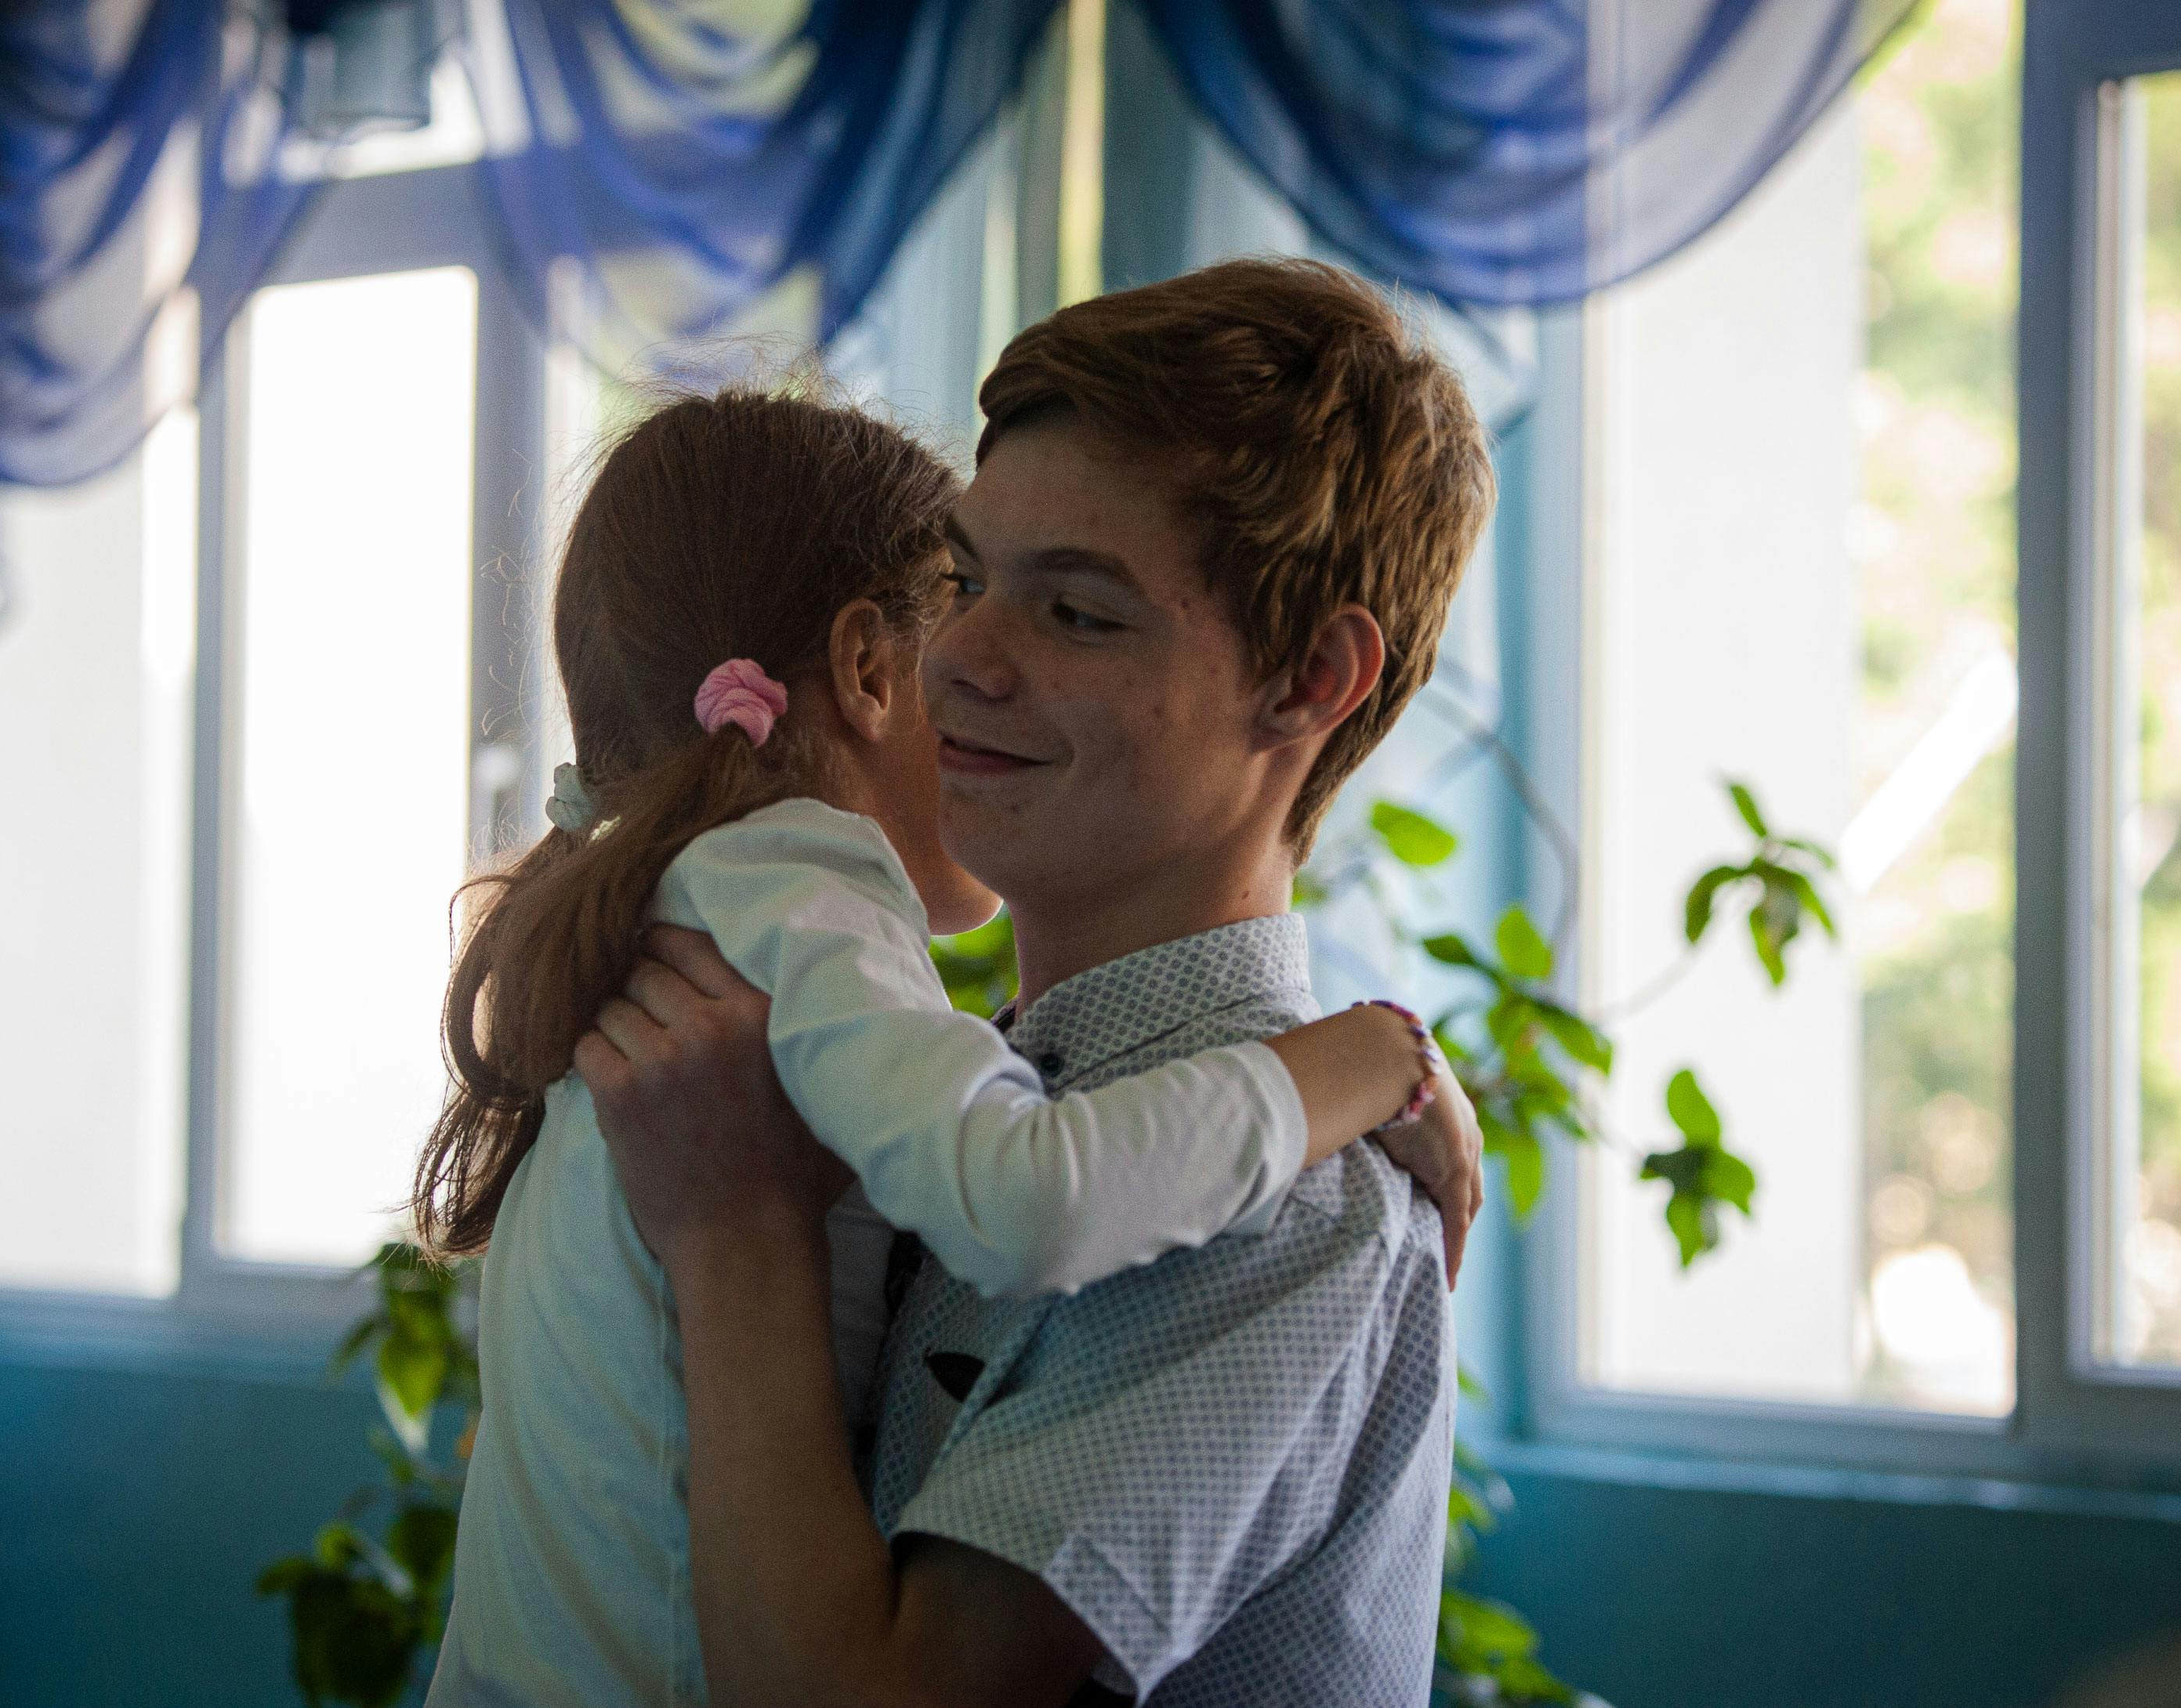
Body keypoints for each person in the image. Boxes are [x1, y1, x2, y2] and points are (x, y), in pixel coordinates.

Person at [418, 387, 1481, 1707]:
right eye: (965, 584)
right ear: (864, 672)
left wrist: (737, 1234)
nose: (969, 658)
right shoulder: (799, 954)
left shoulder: (1285, 1204)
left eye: (1078, 611)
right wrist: (1381, 1056)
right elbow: (1033, 1191)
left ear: (1307, 684)